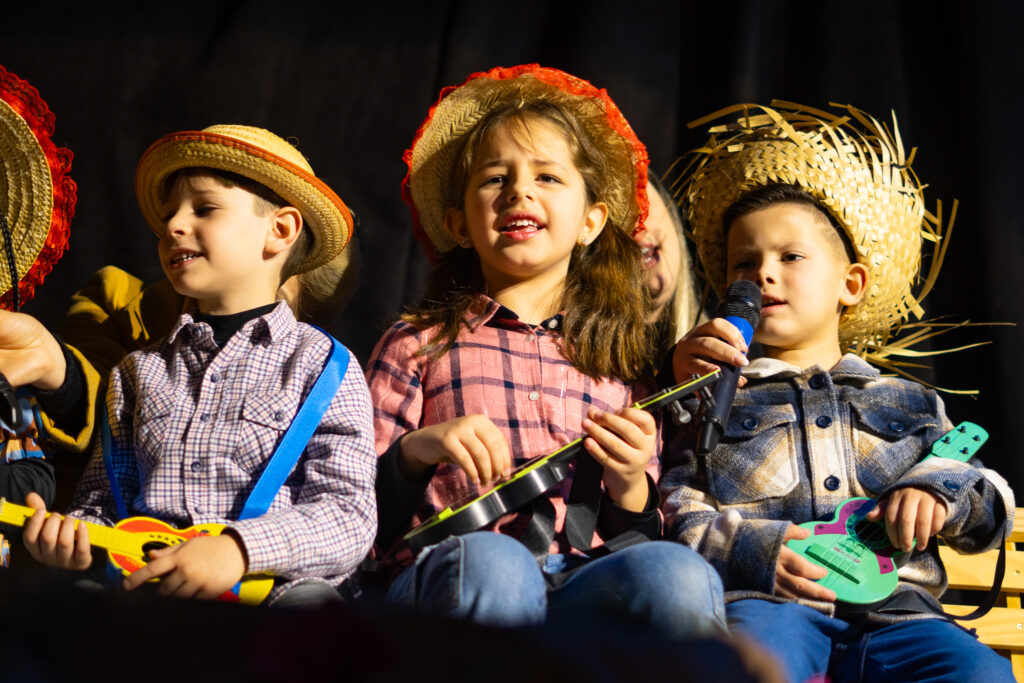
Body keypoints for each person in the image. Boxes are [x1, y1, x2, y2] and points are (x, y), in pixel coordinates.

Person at [366, 64, 725, 638]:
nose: (519, 191)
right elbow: (357, 510)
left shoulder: (619, 366)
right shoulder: (417, 345)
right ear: (460, 224)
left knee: (676, 574)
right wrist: (418, 450)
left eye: (548, 177)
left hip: (583, 580)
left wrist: (630, 480)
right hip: (458, 570)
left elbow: (639, 533)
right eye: (494, 178)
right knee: (496, 562)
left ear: (591, 222)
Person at [661, 102, 1016, 682]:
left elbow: (986, 503)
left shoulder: (907, 400)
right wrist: (756, 551)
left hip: (902, 614)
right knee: (751, 670)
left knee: (978, 674)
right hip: (773, 604)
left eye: (791, 257)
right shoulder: (712, 398)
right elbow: (677, 507)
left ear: (850, 284)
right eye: (744, 263)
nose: (763, 274)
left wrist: (938, 493)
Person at [20, 124, 377, 607]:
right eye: (170, 214)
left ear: (279, 231)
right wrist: (72, 539)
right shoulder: (137, 372)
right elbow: (103, 500)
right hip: (151, 588)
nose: (173, 226)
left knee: (316, 614)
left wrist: (238, 549)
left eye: (204, 209)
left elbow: (348, 514)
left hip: (274, 592)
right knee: (70, 608)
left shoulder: (325, 367)